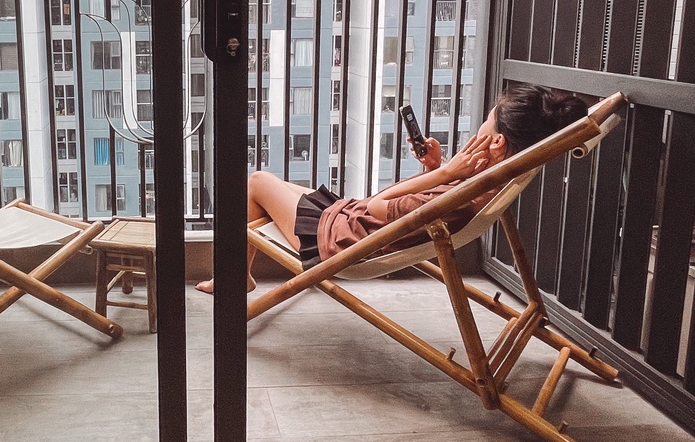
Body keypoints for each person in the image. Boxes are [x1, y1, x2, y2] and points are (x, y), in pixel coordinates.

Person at [195, 85, 588, 293]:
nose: (481, 128)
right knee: (275, 188)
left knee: (257, 182)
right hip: (350, 222)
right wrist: (438, 169)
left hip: (342, 237)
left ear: (498, 142)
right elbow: (411, 205)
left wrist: (444, 174)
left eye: (487, 122)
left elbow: (377, 204)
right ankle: (238, 277)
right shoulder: (487, 184)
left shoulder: (461, 195)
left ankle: (233, 279)